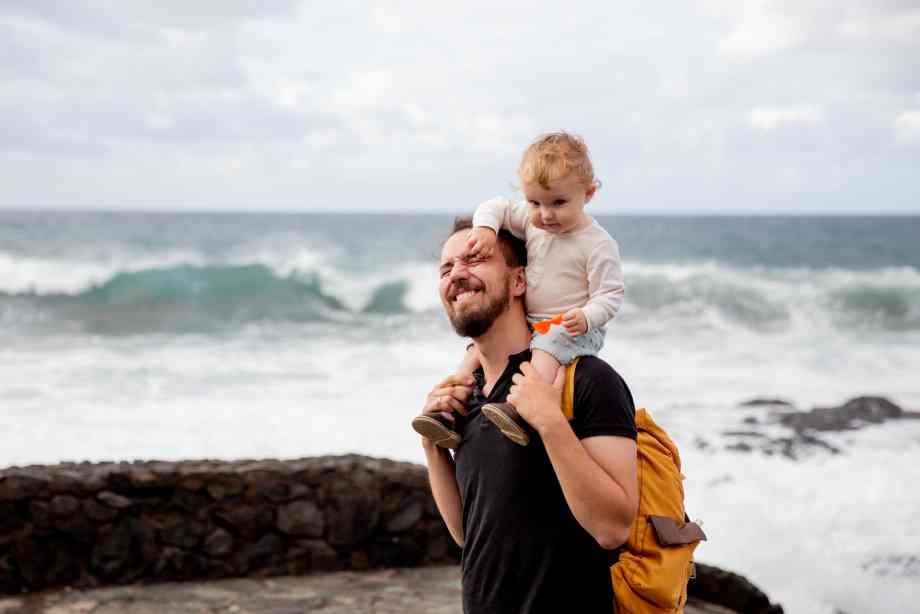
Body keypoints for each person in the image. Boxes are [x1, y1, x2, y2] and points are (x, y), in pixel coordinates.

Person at [420, 217, 638, 613]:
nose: (457, 274)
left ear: (519, 281)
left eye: (474, 259)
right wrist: (432, 449)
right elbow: (469, 536)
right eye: (446, 268)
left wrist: (550, 423)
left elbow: (613, 528)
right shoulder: (467, 394)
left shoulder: (586, 379)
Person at [413, 132, 624, 448]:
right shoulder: (531, 221)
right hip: (536, 323)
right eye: (534, 202)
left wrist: (586, 315)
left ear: (589, 194)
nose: (545, 214)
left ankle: (518, 411)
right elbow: (494, 206)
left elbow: (610, 294)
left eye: (558, 203)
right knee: (475, 353)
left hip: (575, 327)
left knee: (547, 345)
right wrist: (486, 229)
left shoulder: (598, 245)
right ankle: (449, 414)